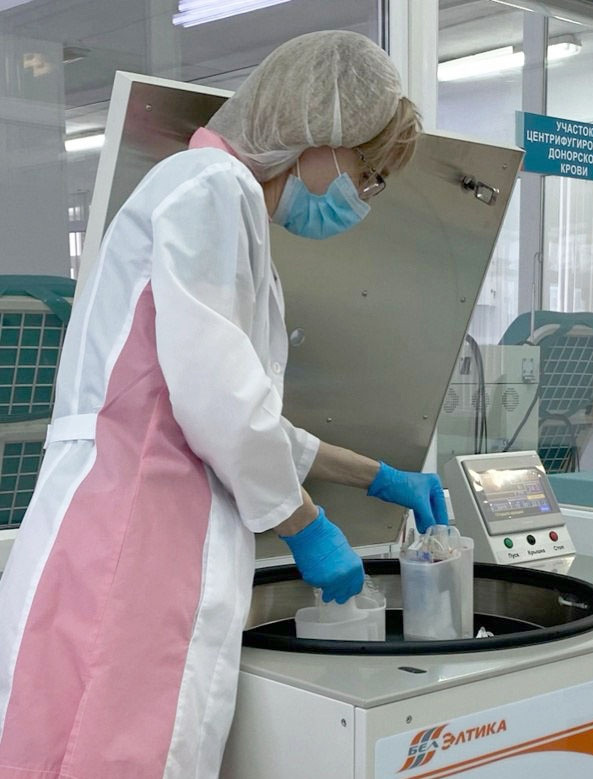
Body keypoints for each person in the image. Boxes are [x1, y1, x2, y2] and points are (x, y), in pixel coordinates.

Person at [0, 31, 443, 779]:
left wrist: (377, 476)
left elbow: (238, 410)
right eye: (366, 174)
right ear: (315, 132)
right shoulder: (212, 186)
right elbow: (219, 404)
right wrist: (307, 526)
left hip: (141, 520)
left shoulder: (220, 202)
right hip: (130, 529)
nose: (363, 197)